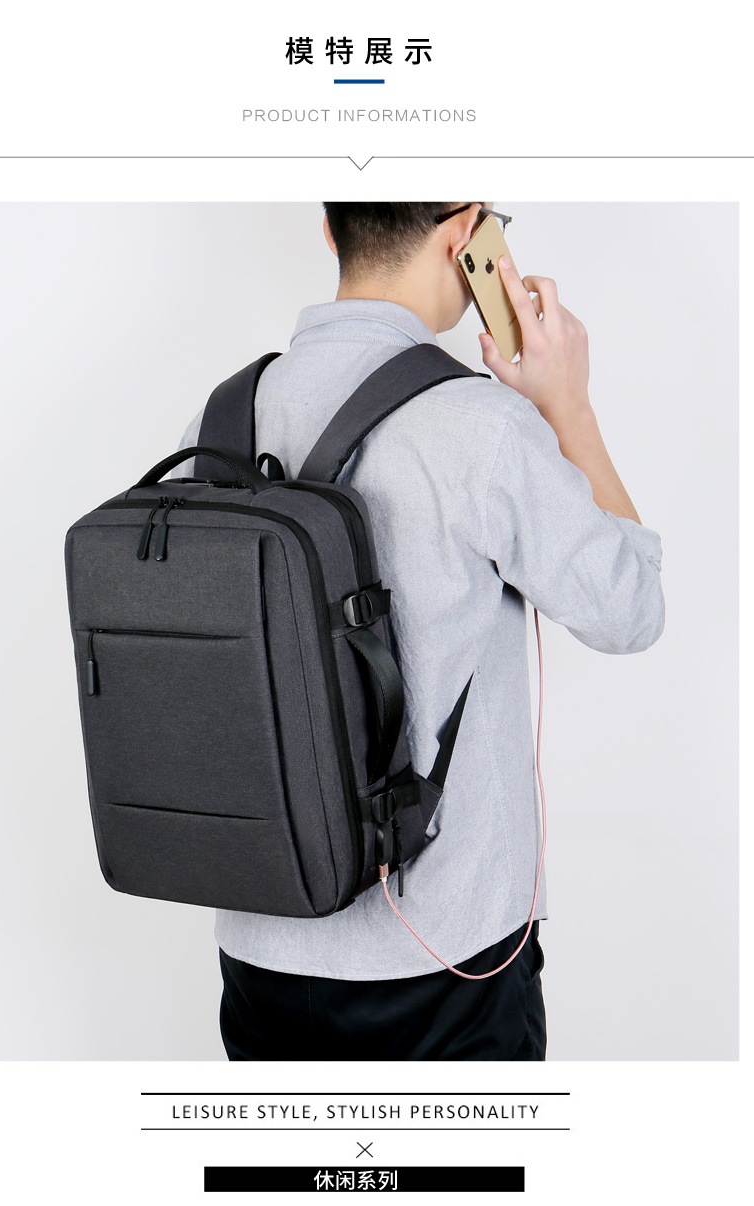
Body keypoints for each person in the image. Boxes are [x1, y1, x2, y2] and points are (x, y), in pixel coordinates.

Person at [178, 202, 665, 1061]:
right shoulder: (480, 425)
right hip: (443, 958)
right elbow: (631, 609)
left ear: (330, 230)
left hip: (259, 947)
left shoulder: (221, 422)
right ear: (465, 233)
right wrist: (569, 406)